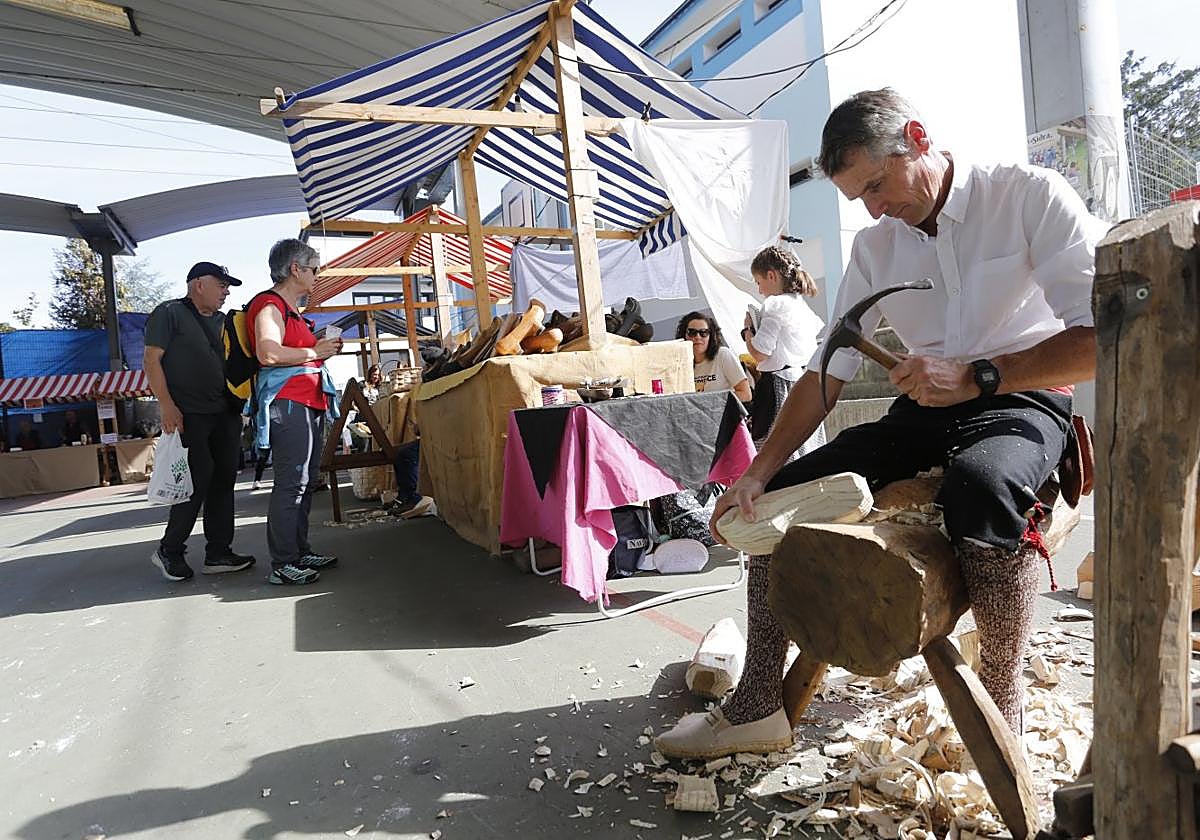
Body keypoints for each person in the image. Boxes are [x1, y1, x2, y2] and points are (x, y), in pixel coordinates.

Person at [654, 88, 1107, 760]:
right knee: (776, 507)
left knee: (981, 489)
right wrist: (758, 472)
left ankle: (1001, 699)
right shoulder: (875, 246)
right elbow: (823, 374)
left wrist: (982, 375)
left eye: (876, 184)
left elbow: (1101, 337)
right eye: (857, 197)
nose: (874, 208)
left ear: (918, 138)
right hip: (924, 409)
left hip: (1022, 398)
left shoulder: (1026, 196)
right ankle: (756, 703)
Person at [144, 261, 257, 582]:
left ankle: (219, 552)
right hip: (188, 413)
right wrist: (166, 405)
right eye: (221, 284)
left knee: (223, 479)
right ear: (198, 284)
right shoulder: (169, 314)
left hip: (225, 412)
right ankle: (170, 549)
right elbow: (152, 361)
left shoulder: (226, 321)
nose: (226, 291)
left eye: (228, 286)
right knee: (197, 478)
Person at [249, 239, 342, 586]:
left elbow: (288, 350)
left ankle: (298, 551)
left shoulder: (289, 309)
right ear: (295, 269)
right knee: (292, 483)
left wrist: (318, 348)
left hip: (305, 400)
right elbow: (269, 353)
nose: (317, 275)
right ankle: (284, 561)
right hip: (289, 401)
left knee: (304, 481)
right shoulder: (270, 304)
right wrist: (314, 351)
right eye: (314, 269)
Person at [739, 247, 826, 455]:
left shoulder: (774, 304)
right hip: (806, 381)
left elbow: (760, 352)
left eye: (759, 282)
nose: (759, 290)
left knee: (776, 451)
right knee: (806, 446)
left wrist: (748, 330)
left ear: (771, 275)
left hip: (779, 385)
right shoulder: (801, 305)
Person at [677, 312, 752, 403]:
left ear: (711, 336)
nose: (697, 337)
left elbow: (746, 394)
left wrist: (711, 402)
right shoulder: (678, 363)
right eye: (692, 332)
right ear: (684, 336)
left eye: (703, 333)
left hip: (724, 415)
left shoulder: (723, 354)